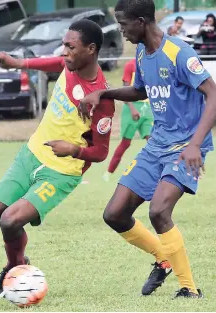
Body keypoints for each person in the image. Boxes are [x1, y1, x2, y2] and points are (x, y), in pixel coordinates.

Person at [0, 19, 115, 303]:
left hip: (60, 172)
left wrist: (73, 149)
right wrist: (16, 63)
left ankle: (12, 269)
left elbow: (101, 152)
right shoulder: (68, 65)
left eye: (71, 46)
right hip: (31, 155)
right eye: (64, 45)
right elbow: (53, 63)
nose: (65, 51)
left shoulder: (102, 99)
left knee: (10, 220)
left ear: (91, 49)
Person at [79, 0, 216, 299]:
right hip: (157, 144)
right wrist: (103, 92)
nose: (121, 30)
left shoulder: (179, 52)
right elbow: (141, 90)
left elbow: (213, 93)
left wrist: (195, 144)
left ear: (140, 22)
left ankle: (189, 289)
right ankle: (162, 258)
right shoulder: (142, 52)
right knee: (114, 214)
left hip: (184, 146)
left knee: (159, 210)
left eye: (123, 24)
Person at [103, 58, 153, 182]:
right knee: (126, 143)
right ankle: (109, 173)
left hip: (147, 108)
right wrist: (132, 109)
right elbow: (125, 90)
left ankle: (156, 172)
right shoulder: (130, 65)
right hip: (132, 107)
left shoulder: (152, 63)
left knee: (152, 141)